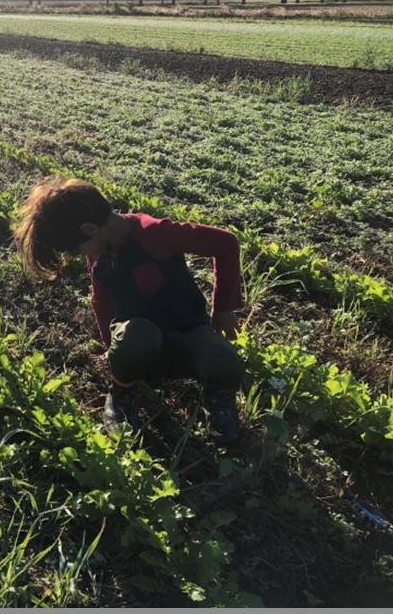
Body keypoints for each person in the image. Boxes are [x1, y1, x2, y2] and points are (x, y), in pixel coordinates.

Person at [14, 176, 245, 442]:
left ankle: (217, 402)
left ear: (90, 229)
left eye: (75, 251)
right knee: (138, 334)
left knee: (226, 361)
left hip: (187, 334)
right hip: (141, 344)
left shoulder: (156, 233)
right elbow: (101, 300)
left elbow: (226, 244)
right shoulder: (99, 252)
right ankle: (122, 392)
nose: (80, 257)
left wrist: (224, 308)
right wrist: (111, 348)